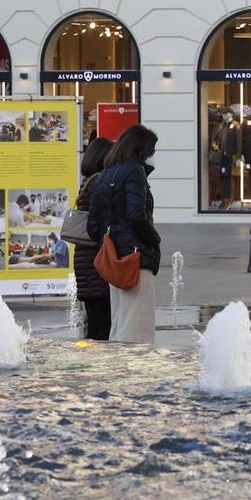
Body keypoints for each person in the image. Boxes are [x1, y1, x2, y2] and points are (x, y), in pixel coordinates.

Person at [88, 124, 162, 344]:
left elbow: (93, 226)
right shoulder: (134, 171)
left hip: (115, 259)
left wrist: (113, 243)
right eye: (151, 150)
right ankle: (135, 365)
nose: (153, 156)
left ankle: (117, 363)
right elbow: (136, 215)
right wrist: (154, 240)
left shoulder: (105, 174)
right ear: (140, 150)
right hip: (136, 258)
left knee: (120, 322)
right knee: (138, 325)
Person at [74, 137, 115, 340]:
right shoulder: (100, 182)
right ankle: (99, 359)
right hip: (96, 260)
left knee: (94, 322)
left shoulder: (88, 181)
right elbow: (99, 223)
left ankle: (89, 356)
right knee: (103, 325)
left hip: (84, 259)